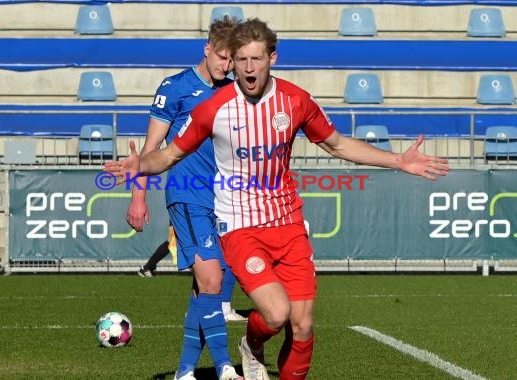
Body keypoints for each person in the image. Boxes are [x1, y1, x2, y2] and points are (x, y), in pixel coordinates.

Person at [105, 18, 450, 380]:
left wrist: (398, 160)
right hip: (240, 226)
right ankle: (249, 345)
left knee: (302, 327)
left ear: (273, 58)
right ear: (232, 62)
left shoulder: (296, 101)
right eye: (241, 60)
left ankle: (246, 356)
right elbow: (170, 154)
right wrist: (140, 164)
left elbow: (339, 144)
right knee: (276, 314)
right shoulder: (213, 108)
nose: (248, 68)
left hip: (287, 223)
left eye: (257, 59)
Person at [125, 17, 245, 380]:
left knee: (205, 287)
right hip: (187, 193)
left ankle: (184, 372)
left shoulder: (233, 90)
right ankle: (225, 367)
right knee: (211, 281)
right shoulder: (175, 88)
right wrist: (138, 197)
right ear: (207, 50)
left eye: (232, 60)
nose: (227, 66)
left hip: (223, 197)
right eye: (222, 57)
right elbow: (150, 148)